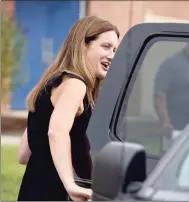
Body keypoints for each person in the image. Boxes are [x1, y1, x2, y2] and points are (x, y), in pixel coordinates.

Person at [17, 16, 119, 201]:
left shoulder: (48, 85)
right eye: (105, 47)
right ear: (84, 45)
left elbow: (24, 154)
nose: (112, 55)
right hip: (56, 193)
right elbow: (56, 133)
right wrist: (71, 185)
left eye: (115, 50)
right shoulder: (75, 85)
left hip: (32, 189)